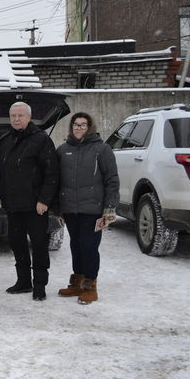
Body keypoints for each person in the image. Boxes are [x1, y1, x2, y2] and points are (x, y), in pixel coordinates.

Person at [0, 101, 59, 301]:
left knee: (39, 244)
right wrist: (1, 196)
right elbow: (2, 172)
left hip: (35, 205)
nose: (16, 119)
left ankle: (39, 285)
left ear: (29, 117)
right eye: (13, 115)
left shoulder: (41, 140)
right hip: (13, 205)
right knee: (17, 243)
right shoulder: (5, 140)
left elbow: (52, 173)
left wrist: (44, 200)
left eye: (20, 115)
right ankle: (23, 281)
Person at [56, 112, 119, 305]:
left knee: (89, 246)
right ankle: (78, 282)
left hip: (92, 208)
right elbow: (56, 181)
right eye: (76, 124)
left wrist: (109, 207)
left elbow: (112, 180)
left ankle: (90, 286)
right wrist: (57, 207)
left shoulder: (102, 149)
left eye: (83, 125)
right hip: (70, 208)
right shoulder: (62, 150)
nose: (79, 128)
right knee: (76, 245)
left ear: (90, 127)